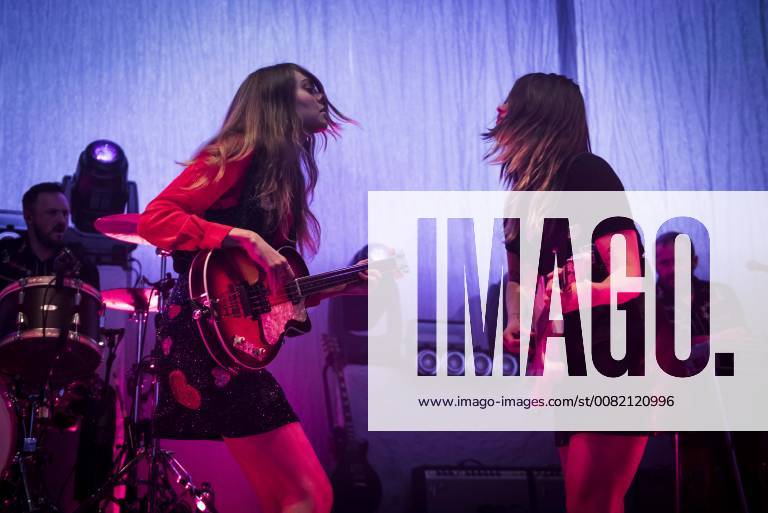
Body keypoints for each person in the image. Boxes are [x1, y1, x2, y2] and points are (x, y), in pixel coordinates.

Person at [137, 63, 367, 513]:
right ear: (275, 101)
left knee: (299, 497)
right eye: (309, 88)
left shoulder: (281, 181)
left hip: (231, 347)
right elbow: (155, 219)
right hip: (203, 341)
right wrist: (243, 237)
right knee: (307, 496)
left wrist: (345, 287)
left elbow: (274, 296)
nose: (322, 98)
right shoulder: (237, 152)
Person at [485, 73, 646, 513]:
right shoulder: (521, 197)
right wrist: (518, 320)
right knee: (581, 502)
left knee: (594, 500)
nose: (499, 109)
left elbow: (628, 274)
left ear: (539, 113)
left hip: (612, 355)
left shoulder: (586, 173)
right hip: (566, 358)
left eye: (510, 102)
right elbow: (518, 275)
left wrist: (576, 295)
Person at [0, 182, 99, 290]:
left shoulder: (82, 265)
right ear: (29, 217)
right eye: (52, 213)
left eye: (65, 213)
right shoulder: (4, 255)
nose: (62, 220)